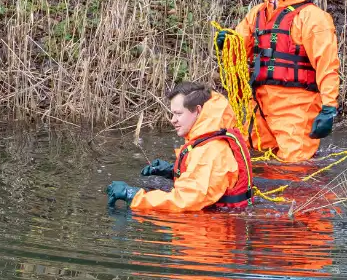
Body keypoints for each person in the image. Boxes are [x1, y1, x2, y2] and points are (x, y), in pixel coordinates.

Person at [228, 0, 340, 163]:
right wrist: (227, 43)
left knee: (295, 167)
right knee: (255, 160)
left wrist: (329, 108)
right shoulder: (258, 12)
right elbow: (238, 51)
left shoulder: (313, 17)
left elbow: (327, 66)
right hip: (259, 103)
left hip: (297, 105)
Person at [105, 82, 253, 212]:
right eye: (172, 114)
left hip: (213, 234)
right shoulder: (207, 141)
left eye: (178, 114)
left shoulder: (210, 151)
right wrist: (172, 171)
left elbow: (185, 201)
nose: (172, 120)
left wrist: (134, 195)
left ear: (198, 110)